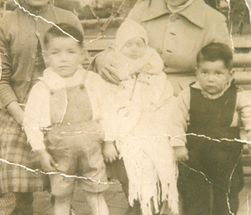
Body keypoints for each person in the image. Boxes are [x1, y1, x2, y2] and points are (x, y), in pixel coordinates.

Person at [0, 1, 83, 214]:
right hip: (20, 109)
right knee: (14, 148)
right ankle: (23, 204)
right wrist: (23, 117)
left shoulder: (68, 19)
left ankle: (60, 201)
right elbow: (1, 79)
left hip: (63, 108)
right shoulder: (6, 25)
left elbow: (80, 65)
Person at [23, 23, 114, 215]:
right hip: (59, 152)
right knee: (61, 196)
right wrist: (41, 152)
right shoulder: (43, 88)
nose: (63, 59)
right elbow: (30, 123)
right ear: (46, 56)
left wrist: (109, 142)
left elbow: (109, 112)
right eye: (56, 53)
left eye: (71, 52)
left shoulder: (92, 81)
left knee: (96, 194)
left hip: (92, 149)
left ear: (82, 54)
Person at [103, 19, 178, 215]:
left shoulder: (154, 70)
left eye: (140, 44)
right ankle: (139, 202)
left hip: (152, 122)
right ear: (119, 46)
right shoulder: (115, 71)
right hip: (126, 126)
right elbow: (109, 105)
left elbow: (164, 95)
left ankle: (158, 203)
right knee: (133, 157)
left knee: (160, 153)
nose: (135, 49)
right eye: (129, 44)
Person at [170, 43, 251, 215]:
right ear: (196, 72)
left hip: (227, 156)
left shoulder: (237, 95)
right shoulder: (188, 94)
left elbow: (249, 116)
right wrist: (178, 145)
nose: (210, 79)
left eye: (218, 73)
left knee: (227, 194)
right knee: (195, 194)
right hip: (196, 155)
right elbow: (176, 120)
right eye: (204, 72)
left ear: (230, 74)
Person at [94, 0, 232, 95]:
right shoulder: (141, 10)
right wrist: (101, 59)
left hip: (186, 96)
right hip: (137, 91)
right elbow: (119, 45)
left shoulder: (214, 20)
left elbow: (223, 69)